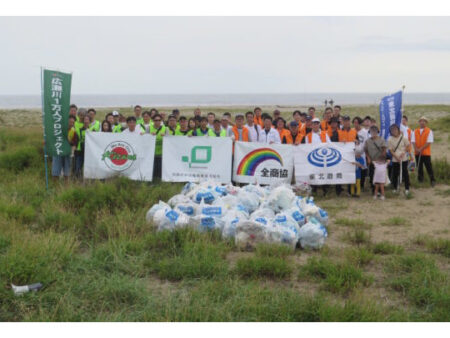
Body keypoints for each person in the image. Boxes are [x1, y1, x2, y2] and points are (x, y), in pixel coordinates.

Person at [412, 116, 436, 187]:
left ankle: (432, 180)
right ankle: (420, 180)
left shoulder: (429, 131)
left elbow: (429, 142)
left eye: (424, 121)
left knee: (429, 167)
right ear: (419, 122)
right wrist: (416, 149)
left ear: (426, 123)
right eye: (421, 121)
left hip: (426, 153)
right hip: (417, 152)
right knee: (419, 167)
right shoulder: (415, 131)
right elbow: (413, 141)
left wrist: (421, 149)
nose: (422, 122)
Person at [364, 125, 387, 197]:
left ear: (377, 131)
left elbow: (384, 150)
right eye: (371, 131)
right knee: (372, 176)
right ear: (370, 132)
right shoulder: (367, 141)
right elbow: (366, 150)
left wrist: (380, 160)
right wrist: (368, 158)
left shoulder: (382, 139)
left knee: (380, 176)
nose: (373, 132)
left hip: (380, 162)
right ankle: (374, 190)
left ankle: (380, 191)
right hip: (371, 161)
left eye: (375, 131)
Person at [388, 124, 410, 195]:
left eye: (395, 129)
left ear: (398, 130)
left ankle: (407, 188)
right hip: (395, 158)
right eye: (392, 130)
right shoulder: (390, 139)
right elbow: (391, 150)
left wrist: (403, 153)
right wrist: (396, 157)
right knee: (395, 173)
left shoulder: (404, 137)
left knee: (405, 173)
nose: (394, 131)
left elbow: (407, 146)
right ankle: (395, 187)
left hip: (403, 158)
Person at [52, 116, 76, 182]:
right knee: (55, 172)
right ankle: (54, 187)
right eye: (70, 122)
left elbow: (74, 143)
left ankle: (66, 189)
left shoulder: (74, 131)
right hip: (58, 152)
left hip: (67, 154)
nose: (71, 124)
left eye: (73, 122)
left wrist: (69, 142)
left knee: (67, 173)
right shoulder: (58, 129)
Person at [353, 116, 369, 190]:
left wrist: (366, 154)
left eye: (357, 122)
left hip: (362, 153)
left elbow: (366, 143)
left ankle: (361, 185)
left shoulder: (364, 132)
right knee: (355, 169)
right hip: (353, 154)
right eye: (354, 122)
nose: (355, 124)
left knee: (362, 168)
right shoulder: (352, 131)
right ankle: (354, 186)